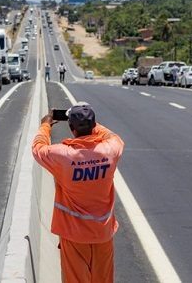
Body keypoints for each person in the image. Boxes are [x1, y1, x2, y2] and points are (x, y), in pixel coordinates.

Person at [32, 102, 125, 283]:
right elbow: (112, 136)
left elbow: (38, 148)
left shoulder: (62, 156)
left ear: (71, 128)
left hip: (73, 236)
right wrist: (90, 122)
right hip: (102, 234)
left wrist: (45, 124)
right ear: (93, 126)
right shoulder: (110, 151)